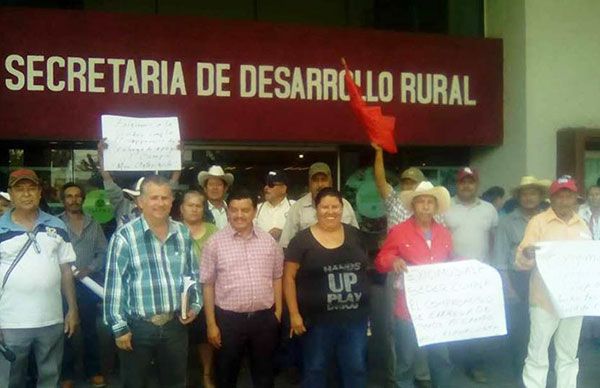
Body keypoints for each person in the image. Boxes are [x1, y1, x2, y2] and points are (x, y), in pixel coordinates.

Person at [103, 175, 201, 388]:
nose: (160, 203)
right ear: (140, 202)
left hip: (175, 326)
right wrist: (119, 327)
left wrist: (195, 304)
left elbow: (193, 273)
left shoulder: (182, 233)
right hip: (138, 328)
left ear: (172, 201)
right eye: (154, 197)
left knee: (175, 383)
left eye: (165, 198)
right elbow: (114, 285)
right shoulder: (124, 237)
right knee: (135, 383)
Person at [284, 187, 370, 388]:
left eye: (335, 206)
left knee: (356, 368)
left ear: (342, 208)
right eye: (325, 207)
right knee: (315, 369)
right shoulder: (301, 241)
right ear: (316, 209)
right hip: (316, 321)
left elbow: (363, 270)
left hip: (355, 319)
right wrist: (294, 314)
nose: (330, 211)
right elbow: (288, 278)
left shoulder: (356, 236)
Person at [0, 169, 79, 388]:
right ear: (10, 194)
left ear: (39, 192)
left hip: (51, 321)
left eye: (31, 189)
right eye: (19, 189)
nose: (26, 194)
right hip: (9, 323)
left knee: (50, 379)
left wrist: (72, 309)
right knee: (9, 381)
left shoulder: (58, 226)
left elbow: (66, 271)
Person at [200, 189, 283, 388]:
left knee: (265, 375)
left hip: (264, 319)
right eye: (234, 210)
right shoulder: (214, 244)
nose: (239, 215)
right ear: (228, 211)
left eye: (245, 210)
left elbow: (277, 277)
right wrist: (211, 324)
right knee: (226, 375)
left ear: (254, 211)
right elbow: (208, 284)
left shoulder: (269, 242)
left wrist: (278, 312)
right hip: (228, 321)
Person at [375, 181, 454, 388]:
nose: (426, 206)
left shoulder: (445, 234)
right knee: (406, 361)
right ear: (413, 206)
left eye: (430, 202)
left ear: (436, 207)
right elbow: (381, 259)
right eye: (421, 202)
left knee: (441, 359)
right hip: (407, 308)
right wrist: (393, 261)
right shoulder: (399, 231)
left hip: (438, 309)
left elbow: (450, 264)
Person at [516, 176, 591, 388]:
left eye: (569, 195)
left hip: (575, 301)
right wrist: (529, 254)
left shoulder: (583, 225)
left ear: (576, 199)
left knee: (568, 354)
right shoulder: (538, 222)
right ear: (552, 198)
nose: (564, 200)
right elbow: (521, 260)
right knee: (537, 353)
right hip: (544, 300)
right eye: (560, 195)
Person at [372, 142, 433, 387]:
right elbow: (379, 180)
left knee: (424, 325)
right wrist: (378, 153)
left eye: (413, 182)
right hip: (395, 271)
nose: (408, 185)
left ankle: (423, 373)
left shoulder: (432, 209)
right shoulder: (394, 200)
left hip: (426, 278)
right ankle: (396, 375)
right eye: (406, 181)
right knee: (394, 326)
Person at [491, 176, 550, 377]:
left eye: (533, 193)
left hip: (545, 280)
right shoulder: (507, 222)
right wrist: (508, 289)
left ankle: (542, 372)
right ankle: (522, 373)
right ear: (518, 197)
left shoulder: (548, 220)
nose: (529, 197)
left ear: (541, 196)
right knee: (520, 329)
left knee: (544, 327)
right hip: (518, 280)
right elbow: (499, 258)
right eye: (524, 193)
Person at [444, 167, 498, 383]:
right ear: (457, 185)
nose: (467, 186)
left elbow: (493, 239)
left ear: (477, 184)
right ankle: (454, 360)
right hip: (452, 273)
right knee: (453, 318)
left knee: (478, 321)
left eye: (471, 182)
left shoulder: (489, 209)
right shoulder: (445, 208)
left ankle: (476, 365)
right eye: (463, 182)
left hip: (480, 274)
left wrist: (492, 268)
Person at [58, 183, 108, 388]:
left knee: (89, 329)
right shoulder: (56, 224)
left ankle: (93, 370)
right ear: (63, 200)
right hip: (62, 284)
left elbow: (103, 252)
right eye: (69, 196)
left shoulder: (93, 223)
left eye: (78, 196)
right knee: (65, 329)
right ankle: (67, 374)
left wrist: (90, 268)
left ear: (83, 199)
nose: (74, 199)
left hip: (87, 284)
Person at [179, 190, 218, 388]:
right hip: (180, 294)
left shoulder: (214, 231)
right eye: (190, 205)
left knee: (205, 336)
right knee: (179, 337)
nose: (194, 209)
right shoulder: (173, 229)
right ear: (181, 208)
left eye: (198, 205)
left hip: (208, 292)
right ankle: (181, 376)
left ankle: (206, 373)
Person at [98, 139, 181, 228]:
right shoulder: (123, 204)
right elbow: (107, 179)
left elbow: (172, 184)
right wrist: (102, 155)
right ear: (133, 197)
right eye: (139, 195)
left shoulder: (159, 205)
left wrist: (177, 156)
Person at [279, 162, 358, 248]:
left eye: (323, 179)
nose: (320, 185)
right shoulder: (298, 208)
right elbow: (285, 245)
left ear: (330, 182)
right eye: (315, 180)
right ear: (309, 183)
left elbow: (357, 239)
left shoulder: (345, 205)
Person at [578, 184, 600, 345]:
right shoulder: (579, 212)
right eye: (591, 194)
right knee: (586, 294)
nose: (594, 197)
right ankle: (586, 331)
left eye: (597, 194)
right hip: (584, 260)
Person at [255, 170, 295, 241]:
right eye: (265, 184)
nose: (266, 188)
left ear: (283, 188)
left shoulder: (295, 207)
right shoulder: (256, 209)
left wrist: (283, 233)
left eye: (271, 185)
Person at [197, 165, 234, 229]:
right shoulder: (199, 211)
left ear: (225, 188)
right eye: (211, 184)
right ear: (205, 189)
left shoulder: (233, 210)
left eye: (219, 184)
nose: (215, 188)